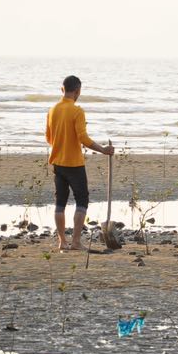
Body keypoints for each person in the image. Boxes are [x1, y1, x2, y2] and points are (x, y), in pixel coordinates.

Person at [45, 74, 113, 252]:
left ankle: (62, 241)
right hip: (74, 164)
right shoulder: (77, 111)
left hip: (58, 162)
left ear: (62, 89)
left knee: (60, 202)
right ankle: (75, 241)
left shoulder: (52, 110)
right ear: (77, 91)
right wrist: (103, 150)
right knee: (82, 200)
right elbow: (83, 138)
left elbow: (49, 138)